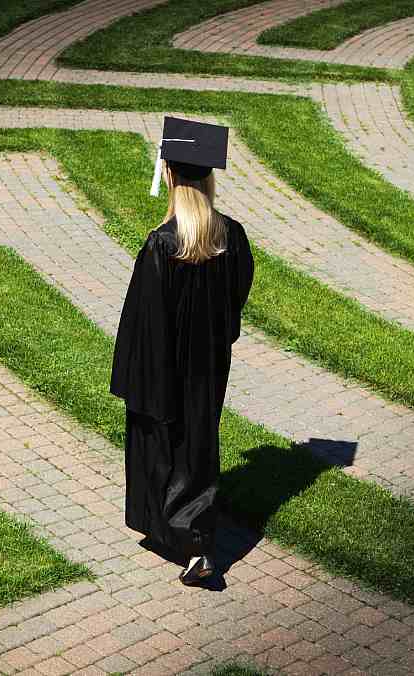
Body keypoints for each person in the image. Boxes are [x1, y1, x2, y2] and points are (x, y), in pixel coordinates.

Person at [110, 115, 254, 586]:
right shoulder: (229, 236)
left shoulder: (162, 245)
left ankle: (194, 546)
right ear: (209, 179)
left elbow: (143, 321)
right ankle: (193, 535)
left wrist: (136, 377)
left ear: (170, 176)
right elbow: (236, 297)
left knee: (162, 450)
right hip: (207, 368)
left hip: (163, 370)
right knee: (197, 446)